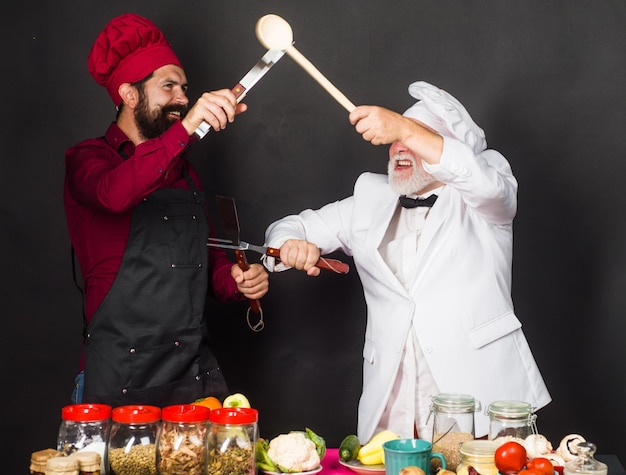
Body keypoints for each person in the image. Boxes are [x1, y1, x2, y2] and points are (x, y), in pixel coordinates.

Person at [262, 81, 551, 442]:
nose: (398, 146)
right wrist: (287, 244)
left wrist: (402, 127)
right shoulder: (369, 197)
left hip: (481, 405)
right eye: (395, 139)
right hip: (394, 406)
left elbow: (488, 185)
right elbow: (293, 226)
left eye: (413, 138)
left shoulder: (486, 199)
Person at [64, 13, 269, 408]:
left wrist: (239, 280)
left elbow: (208, 265)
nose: (182, 98)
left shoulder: (183, 172)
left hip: (192, 377)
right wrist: (188, 127)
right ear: (129, 94)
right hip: (118, 380)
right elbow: (115, 193)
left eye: (185, 88)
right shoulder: (88, 160)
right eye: (169, 86)